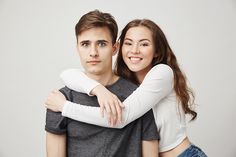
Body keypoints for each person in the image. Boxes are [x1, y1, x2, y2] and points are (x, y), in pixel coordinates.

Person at [45, 18, 208, 157]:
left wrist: (65, 107)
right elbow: (68, 74)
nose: (134, 50)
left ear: (157, 51)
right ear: (120, 48)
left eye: (144, 44)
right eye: (129, 43)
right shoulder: (129, 82)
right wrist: (98, 89)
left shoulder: (162, 73)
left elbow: (121, 117)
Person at [45, 10, 160, 157]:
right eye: (85, 44)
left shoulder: (138, 97)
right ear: (77, 48)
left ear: (114, 48)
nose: (93, 52)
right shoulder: (61, 99)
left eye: (101, 44)